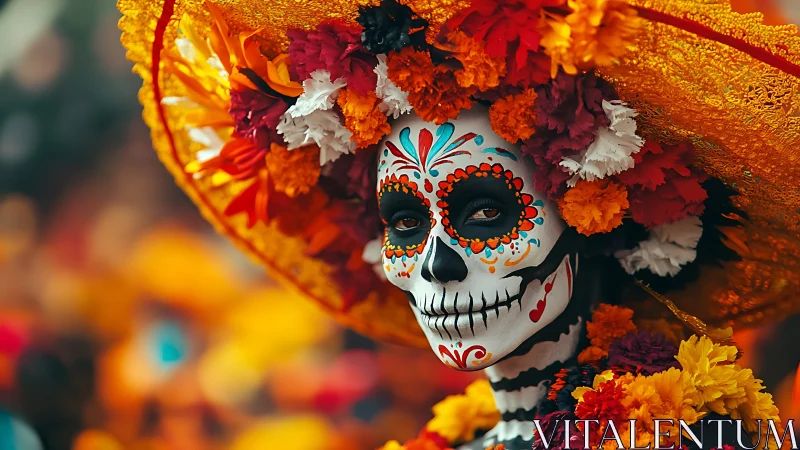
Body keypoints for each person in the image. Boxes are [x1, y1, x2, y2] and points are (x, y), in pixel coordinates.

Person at [118, 0, 800, 448]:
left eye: (486, 211)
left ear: (594, 216)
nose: (437, 265)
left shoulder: (687, 434)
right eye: (405, 222)